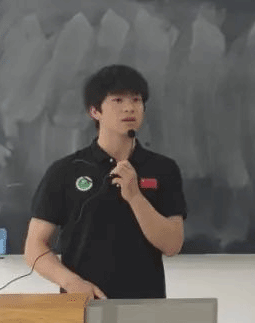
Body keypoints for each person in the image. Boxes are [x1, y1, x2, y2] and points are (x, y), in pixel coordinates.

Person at [23, 64, 187, 299]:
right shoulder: (66, 170)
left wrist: (135, 197)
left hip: (145, 306)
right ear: (95, 111)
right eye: (117, 100)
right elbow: (34, 247)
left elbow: (172, 245)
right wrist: (71, 282)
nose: (129, 107)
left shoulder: (163, 169)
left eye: (136, 100)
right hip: (82, 303)